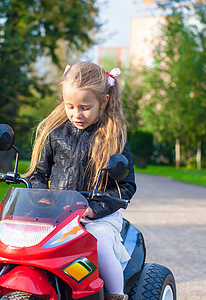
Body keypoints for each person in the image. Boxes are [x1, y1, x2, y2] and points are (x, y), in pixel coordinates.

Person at [26, 62, 136, 300]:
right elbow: (37, 175)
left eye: (85, 107)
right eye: (70, 106)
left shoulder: (113, 136)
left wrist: (95, 210)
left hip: (98, 216)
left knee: (101, 246)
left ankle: (116, 295)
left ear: (103, 101)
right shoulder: (54, 133)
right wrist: (42, 197)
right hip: (55, 213)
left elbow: (126, 186)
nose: (77, 114)